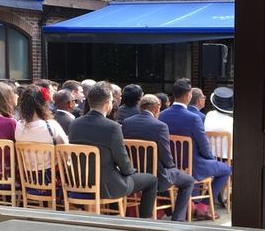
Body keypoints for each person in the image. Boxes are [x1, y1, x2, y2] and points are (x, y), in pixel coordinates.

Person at [68, 81, 158, 218]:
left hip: (80, 183)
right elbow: (123, 163)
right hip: (106, 186)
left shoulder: (74, 124)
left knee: (118, 176)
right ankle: (144, 221)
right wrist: (130, 171)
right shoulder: (112, 127)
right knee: (151, 180)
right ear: (107, 103)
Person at [122, 94, 195, 222]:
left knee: (171, 174)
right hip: (157, 177)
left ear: (140, 107)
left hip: (134, 174)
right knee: (188, 181)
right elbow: (166, 156)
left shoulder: (127, 123)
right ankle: (178, 219)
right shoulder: (160, 126)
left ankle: (168, 211)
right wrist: (173, 168)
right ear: (156, 109)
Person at [160, 78, 231, 207]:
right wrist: (211, 159)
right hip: (193, 165)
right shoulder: (194, 118)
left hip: (170, 165)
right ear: (188, 95)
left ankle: (194, 203)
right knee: (226, 169)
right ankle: (203, 206)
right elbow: (204, 146)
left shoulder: (161, 115)